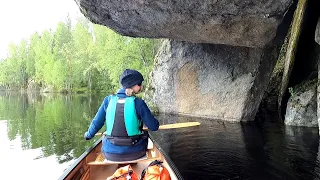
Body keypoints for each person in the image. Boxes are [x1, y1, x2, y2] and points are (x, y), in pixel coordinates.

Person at [84, 69, 159, 161]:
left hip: (110, 154)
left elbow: (97, 123)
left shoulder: (108, 100)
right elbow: (154, 126)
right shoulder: (138, 103)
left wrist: (88, 135)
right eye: (139, 84)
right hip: (136, 153)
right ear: (133, 85)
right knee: (144, 134)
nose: (141, 87)